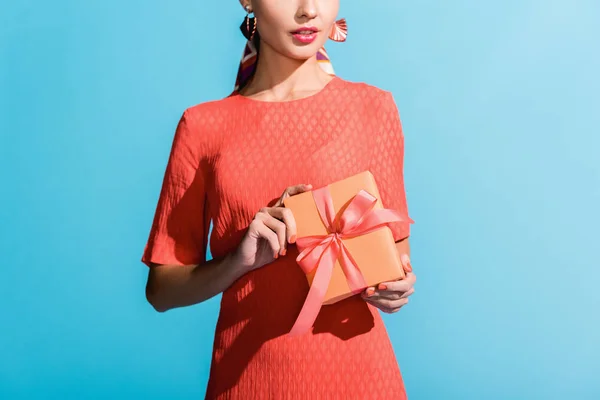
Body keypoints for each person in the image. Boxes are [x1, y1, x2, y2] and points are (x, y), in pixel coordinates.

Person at [141, 0, 417, 398]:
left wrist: (397, 288)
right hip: (248, 381)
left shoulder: (374, 109)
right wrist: (238, 262)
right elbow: (161, 290)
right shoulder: (202, 127)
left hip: (361, 379)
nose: (309, 10)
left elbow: (397, 260)